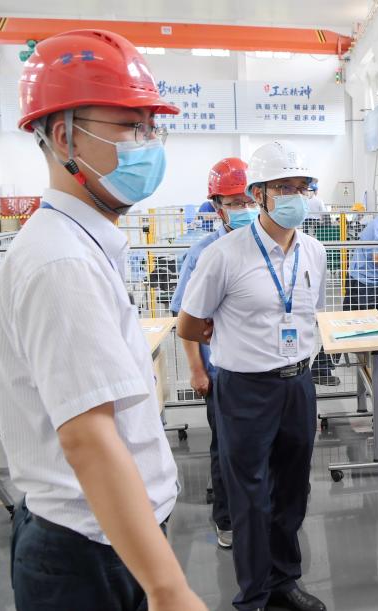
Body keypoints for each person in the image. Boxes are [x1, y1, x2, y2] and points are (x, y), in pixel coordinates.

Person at [0, 29, 205, 610]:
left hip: (107, 535)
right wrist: (168, 588)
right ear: (66, 136)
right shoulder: (61, 260)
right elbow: (87, 438)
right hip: (87, 550)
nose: (149, 144)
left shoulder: (81, 243)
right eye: (132, 126)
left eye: (152, 127)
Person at [178, 141, 327, 611]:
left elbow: (310, 314)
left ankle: (285, 580)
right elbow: (188, 324)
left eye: (301, 187)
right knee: (250, 495)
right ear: (258, 194)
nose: (295, 196)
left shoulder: (315, 251)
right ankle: (255, 595)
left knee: (293, 490)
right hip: (245, 389)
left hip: (298, 384)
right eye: (284, 187)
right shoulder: (223, 254)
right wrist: (228, 338)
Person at [169, 157, 257, 550]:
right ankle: (227, 520)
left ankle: (264, 517)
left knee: (269, 450)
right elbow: (184, 320)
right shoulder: (203, 253)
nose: (244, 208)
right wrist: (196, 370)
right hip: (223, 373)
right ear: (218, 207)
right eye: (234, 202)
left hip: (267, 371)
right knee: (226, 449)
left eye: (248, 200)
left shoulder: (273, 246)